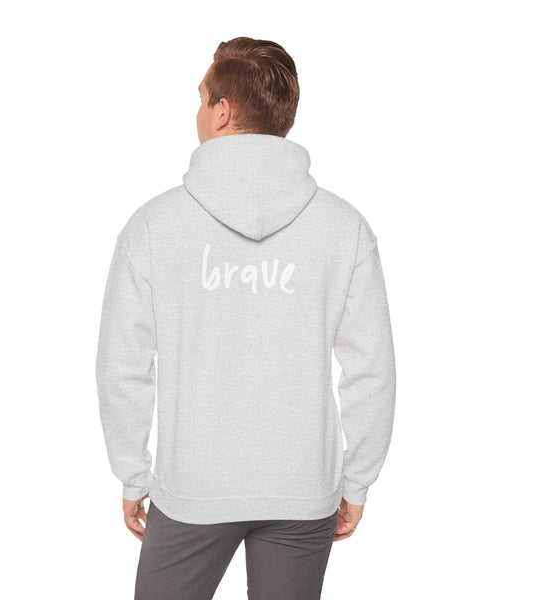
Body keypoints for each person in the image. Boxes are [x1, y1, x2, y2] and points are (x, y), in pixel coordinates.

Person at [96, 36, 396, 600]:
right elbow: (371, 369)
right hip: (302, 488)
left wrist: (133, 473)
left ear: (222, 110)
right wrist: (357, 480)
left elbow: (123, 365)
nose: (197, 111)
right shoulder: (343, 227)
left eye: (200, 98)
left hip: (192, 488)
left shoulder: (154, 226)